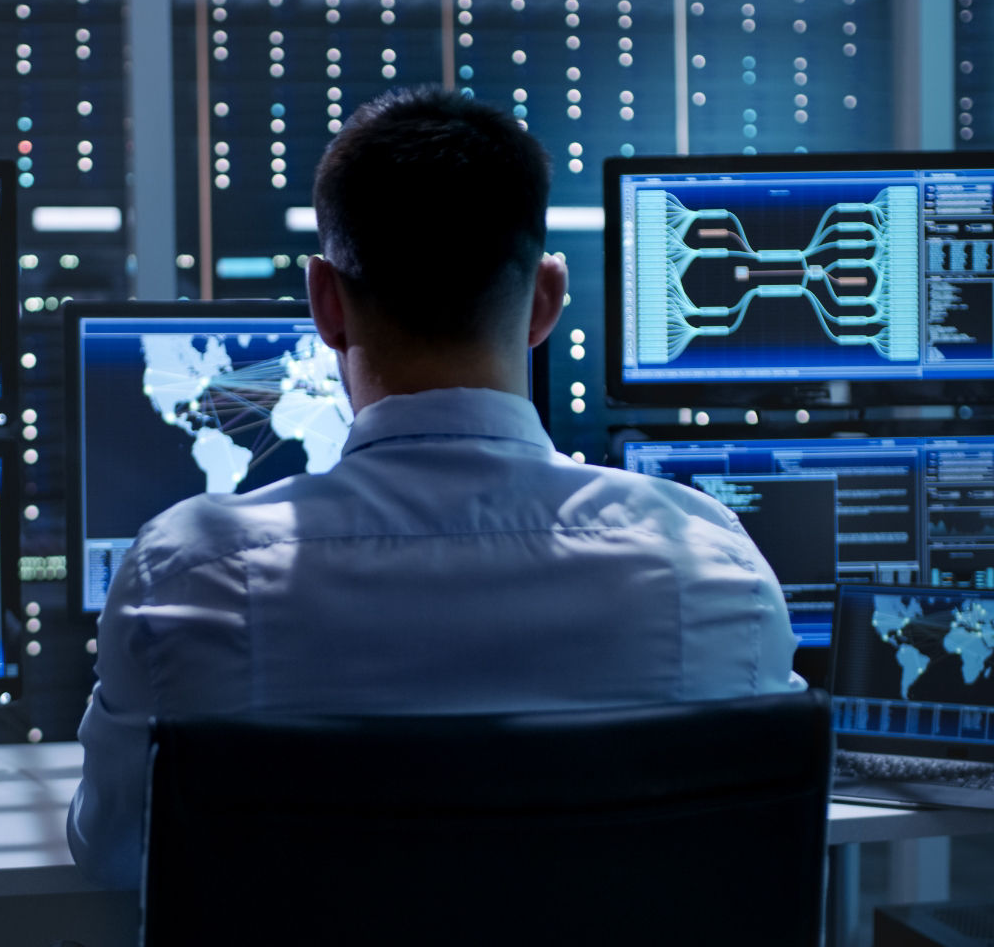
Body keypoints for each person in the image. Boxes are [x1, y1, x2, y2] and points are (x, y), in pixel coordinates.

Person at [68, 86, 804, 889]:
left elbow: (112, 852)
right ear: (547, 301)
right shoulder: (712, 565)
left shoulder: (188, 574)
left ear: (325, 302)